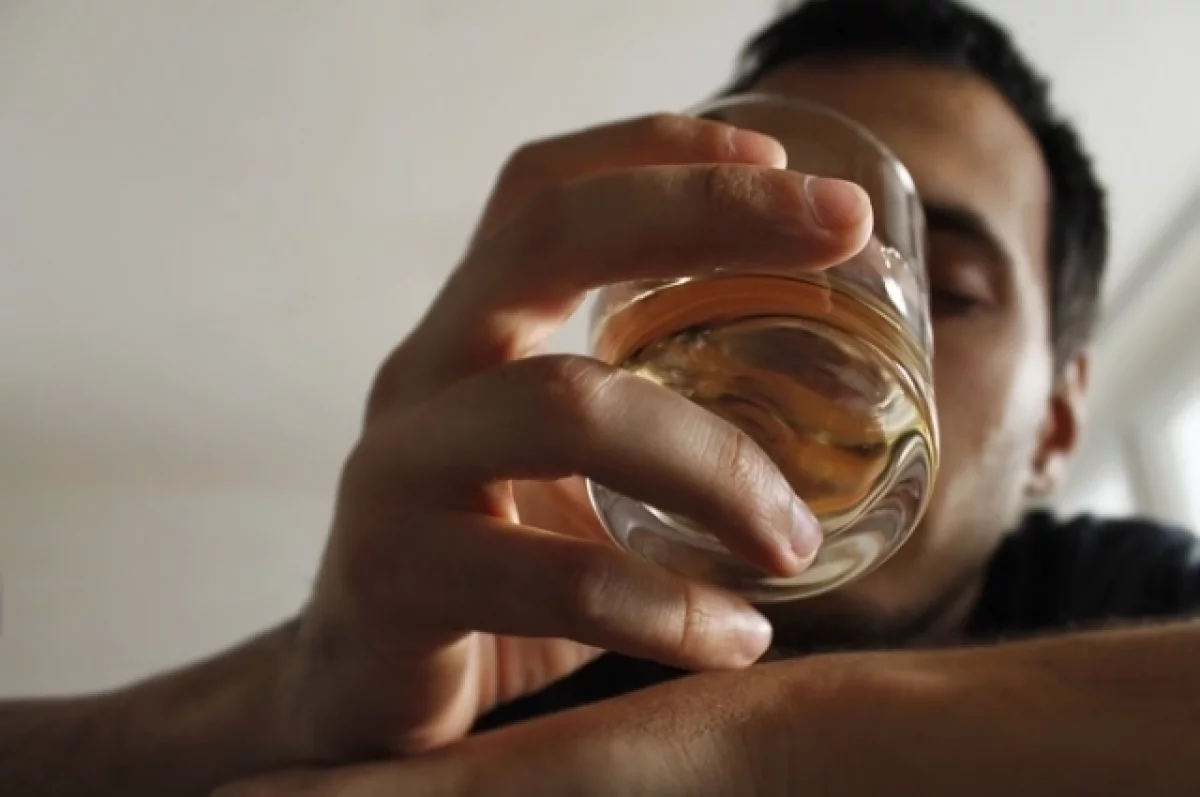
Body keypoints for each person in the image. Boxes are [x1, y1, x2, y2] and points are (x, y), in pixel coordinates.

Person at [5, 0, 1200, 794]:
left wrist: (760, 744)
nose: (802, 346)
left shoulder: (1124, 601)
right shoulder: (516, 618)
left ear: (1058, 422)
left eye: (947, 288)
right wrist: (301, 688)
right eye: (753, 253)